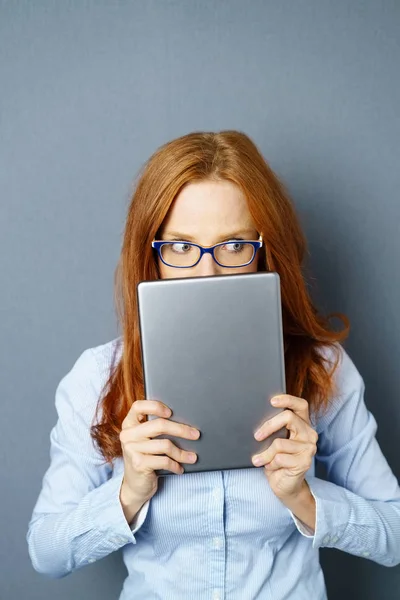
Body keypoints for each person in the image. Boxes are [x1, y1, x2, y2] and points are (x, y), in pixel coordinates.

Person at [27, 130, 400, 599]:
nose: (208, 273)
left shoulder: (322, 367)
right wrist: (130, 491)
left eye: (233, 245)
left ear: (264, 250)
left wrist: (303, 497)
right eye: (181, 247)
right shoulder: (98, 376)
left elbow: (394, 534)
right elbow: (46, 551)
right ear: (152, 254)